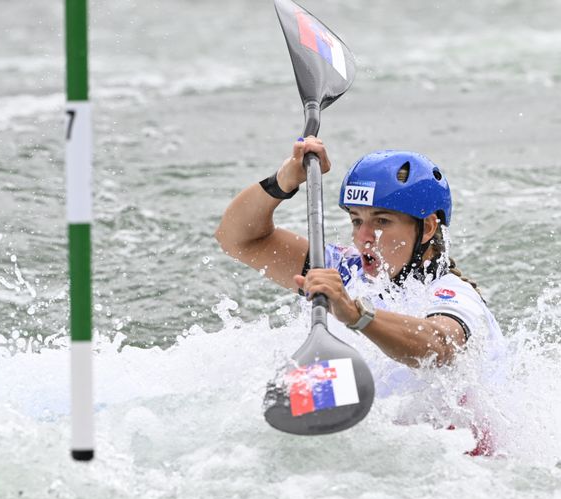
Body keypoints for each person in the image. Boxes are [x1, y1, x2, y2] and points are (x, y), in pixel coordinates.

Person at [215, 136, 505, 454]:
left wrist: (356, 315)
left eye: (381, 221)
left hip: (464, 465)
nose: (363, 237)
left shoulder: (453, 295)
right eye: (356, 220)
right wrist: (284, 180)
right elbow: (238, 239)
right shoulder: (346, 269)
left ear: (428, 227)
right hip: (380, 448)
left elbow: (439, 345)